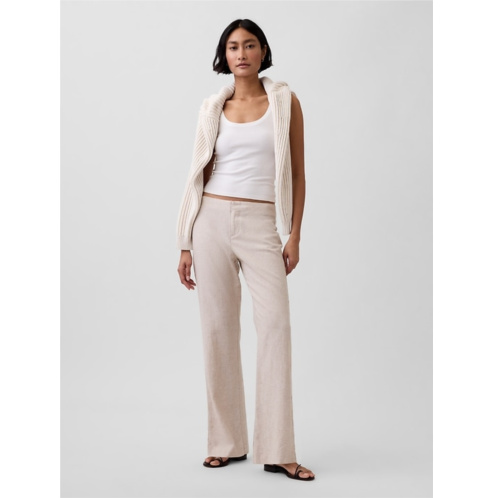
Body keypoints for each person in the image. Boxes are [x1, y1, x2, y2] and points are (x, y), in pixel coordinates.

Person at [176, 19, 315, 482]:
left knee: (275, 326)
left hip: (260, 223)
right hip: (210, 221)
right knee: (217, 330)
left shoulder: (285, 102)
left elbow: (298, 173)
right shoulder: (212, 107)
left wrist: (294, 234)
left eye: (249, 45)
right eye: (233, 46)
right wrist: (184, 241)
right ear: (225, 55)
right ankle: (225, 442)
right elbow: (197, 174)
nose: (241, 53)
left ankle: (278, 449)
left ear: (262, 51)